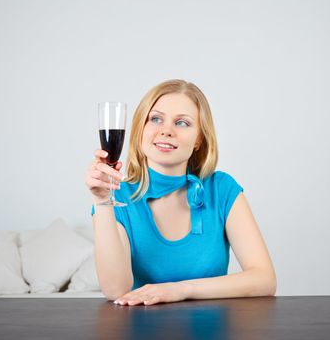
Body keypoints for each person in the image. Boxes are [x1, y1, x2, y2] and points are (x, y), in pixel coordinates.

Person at [85, 79, 277, 306]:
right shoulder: (117, 196)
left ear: (199, 139)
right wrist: (101, 200)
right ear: (140, 129)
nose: (166, 131)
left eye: (182, 123)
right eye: (156, 119)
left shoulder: (222, 189)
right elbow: (115, 289)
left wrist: (180, 289)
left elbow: (265, 280)